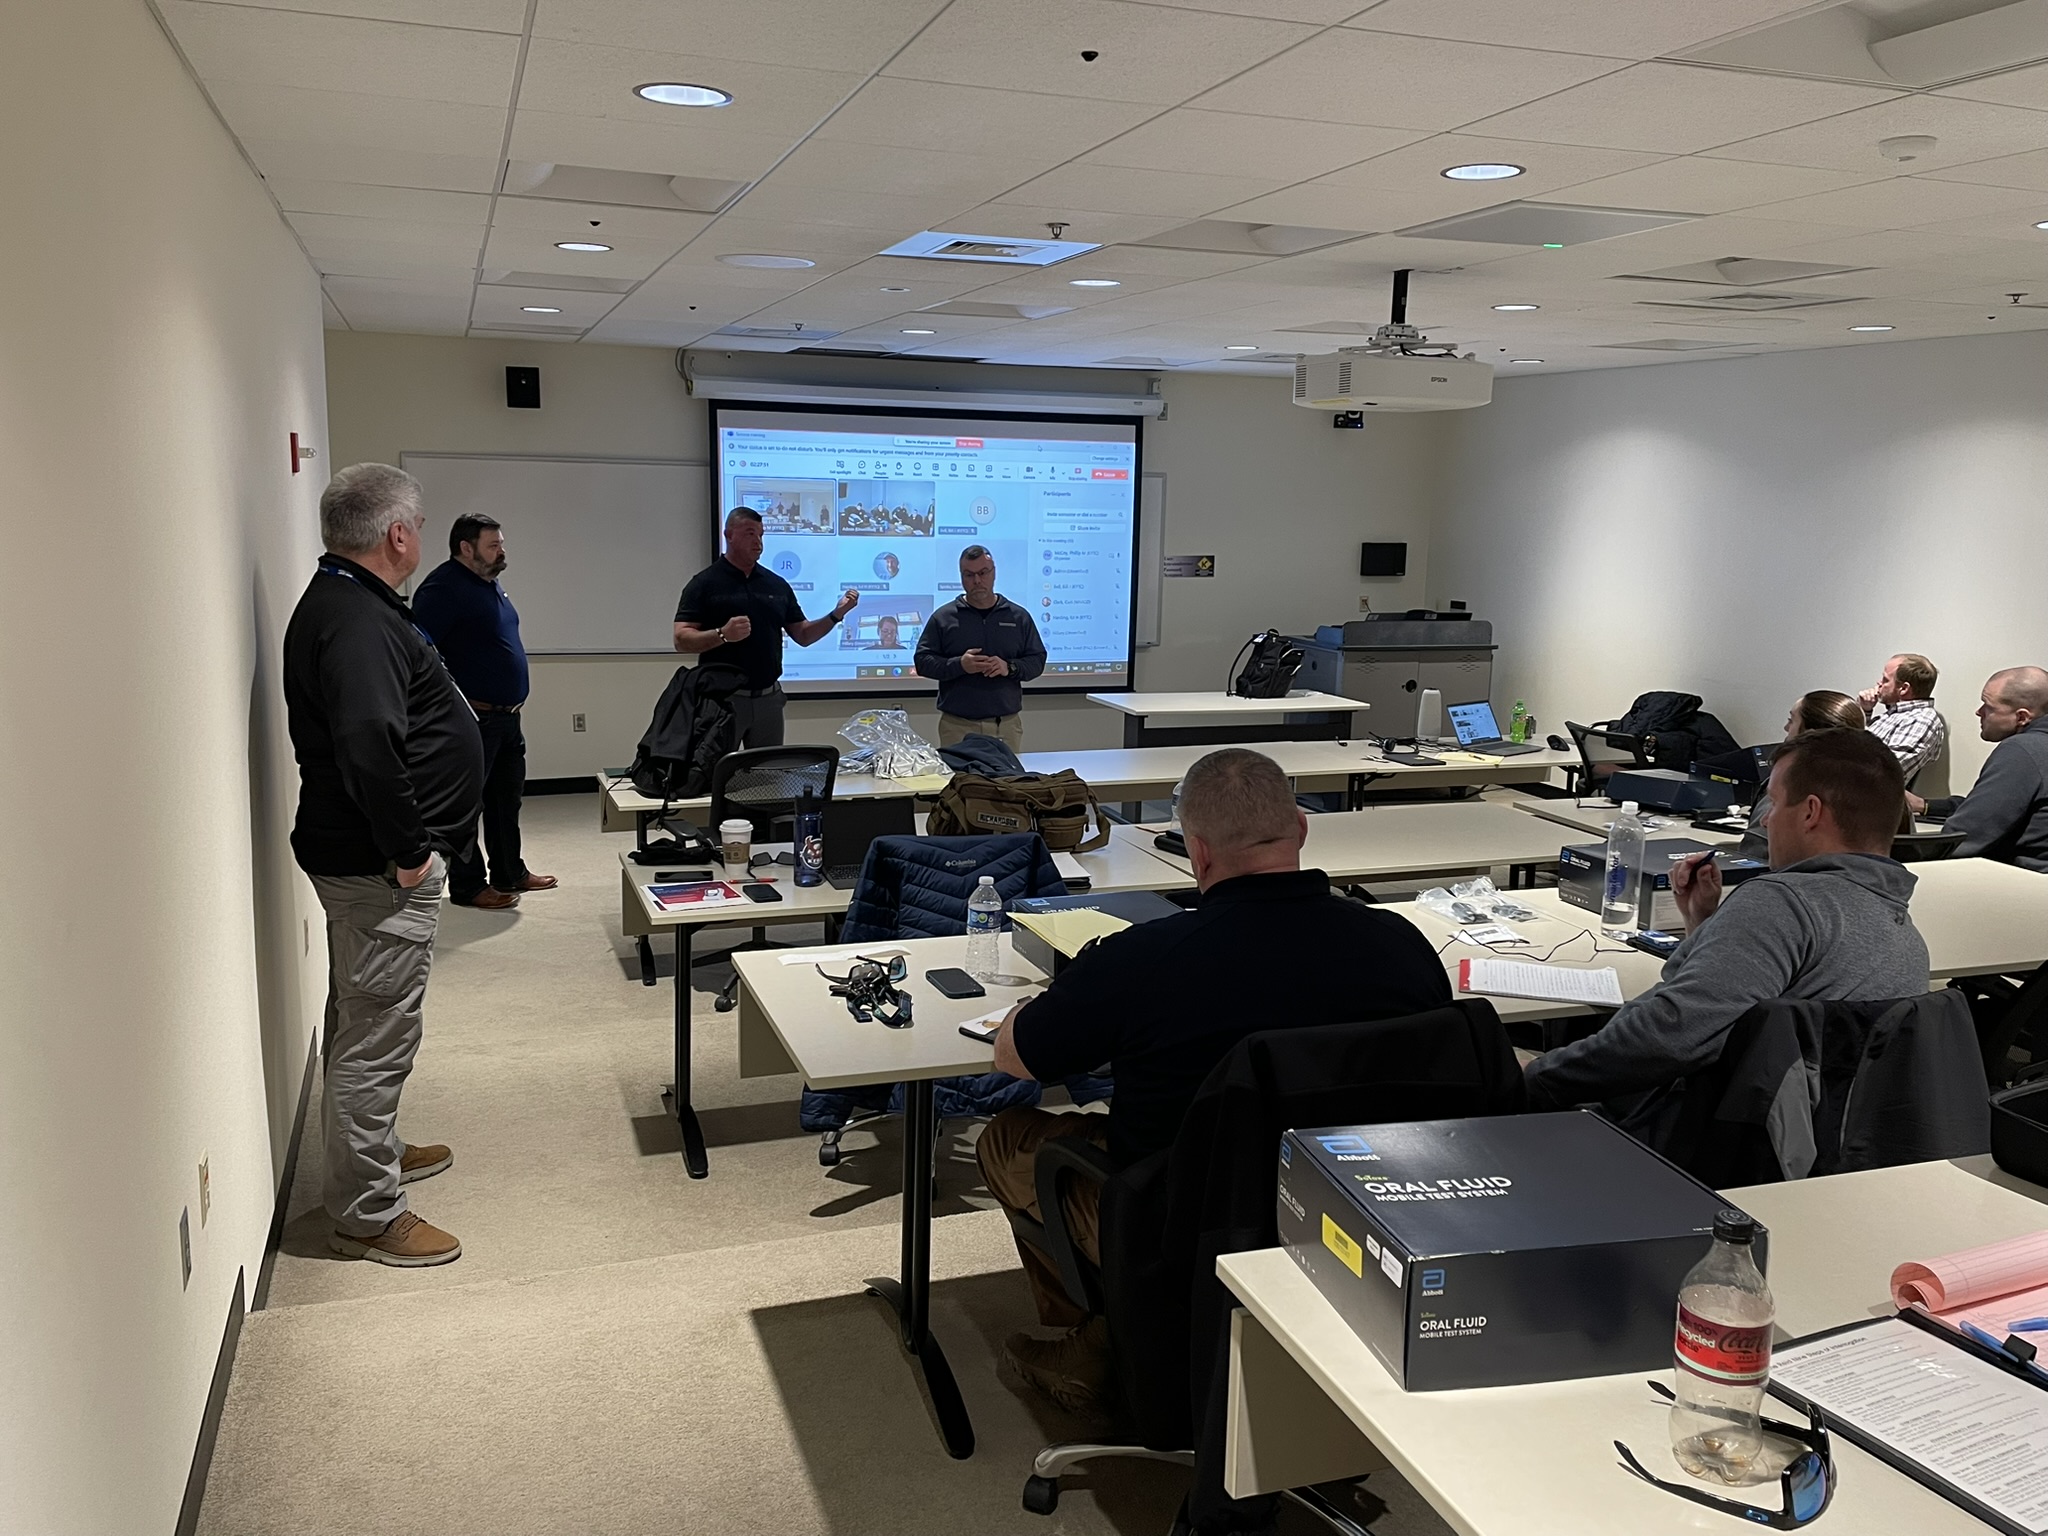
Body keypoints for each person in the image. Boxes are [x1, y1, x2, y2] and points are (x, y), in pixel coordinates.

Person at [978, 748, 1452, 1408]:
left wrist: (1035, 1008)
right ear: (1301, 830)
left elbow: (1015, 1057)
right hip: (1358, 1217)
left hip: (1179, 1220)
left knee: (1008, 1139)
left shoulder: (1143, 958)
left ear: (1196, 852)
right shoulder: (1401, 945)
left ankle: (1103, 1345)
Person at [1525, 729, 1928, 1142]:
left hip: (1695, 1145)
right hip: (1821, 1147)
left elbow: (1671, 1035)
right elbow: (1761, 1015)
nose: (1766, 819)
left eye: (1773, 802)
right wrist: (1704, 924)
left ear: (1810, 812)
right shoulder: (1907, 937)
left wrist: (1538, 1078)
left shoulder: (1782, 903)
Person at [283, 464, 483, 1268]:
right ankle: (368, 1213)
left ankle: (376, 1153)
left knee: (364, 1017)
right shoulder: (355, 618)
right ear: (398, 534)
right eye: (420, 527)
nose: (420, 537)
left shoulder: (348, 601)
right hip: (377, 868)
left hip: (363, 860)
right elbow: (369, 742)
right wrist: (410, 855)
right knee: (377, 1034)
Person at [411, 514, 557, 911]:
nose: (501, 551)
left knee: (506, 801)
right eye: (493, 546)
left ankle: (510, 871)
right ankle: (468, 885)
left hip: (507, 717)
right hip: (473, 719)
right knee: (466, 805)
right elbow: (420, 651)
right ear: (466, 548)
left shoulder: (489, 583)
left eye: (501, 544)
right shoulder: (443, 588)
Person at [672, 508, 860, 747]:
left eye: (761, 535)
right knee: (715, 768)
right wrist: (722, 634)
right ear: (729, 535)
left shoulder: (776, 585)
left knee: (768, 768)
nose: (758, 542)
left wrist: (836, 614)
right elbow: (681, 639)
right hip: (721, 700)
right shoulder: (704, 584)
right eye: (750, 533)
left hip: (768, 700)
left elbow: (803, 635)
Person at [1913, 665, 2048, 870]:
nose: (1979, 712)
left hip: (2025, 880)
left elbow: (1966, 836)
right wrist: (1925, 806)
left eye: (1988, 706)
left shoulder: (2022, 749)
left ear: (2021, 717)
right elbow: (1990, 809)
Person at [914, 545, 1046, 751]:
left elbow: (1037, 660)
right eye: (969, 575)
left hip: (1005, 726)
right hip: (957, 726)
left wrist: (1009, 667)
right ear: (961, 577)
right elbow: (923, 662)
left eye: (983, 573)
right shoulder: (944, 618)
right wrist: (960, 665)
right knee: (957, 774)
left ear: (994, 573)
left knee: (1007, 774)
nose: (977, 581)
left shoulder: (1018, 617)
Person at [1733, 690, 1865, 859]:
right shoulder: (1874, 790)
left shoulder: (1788, 786)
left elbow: (1754, 855)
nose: (1786, 728)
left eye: (1791, 720)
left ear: (1809, 733)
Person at [1858, 652, 1947, 783]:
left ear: (1904, 688)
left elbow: (1882, 771)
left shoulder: (1921, 720)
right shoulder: (1894, 714)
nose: (1879, 683)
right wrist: (1865, 710)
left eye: (1885, 680)